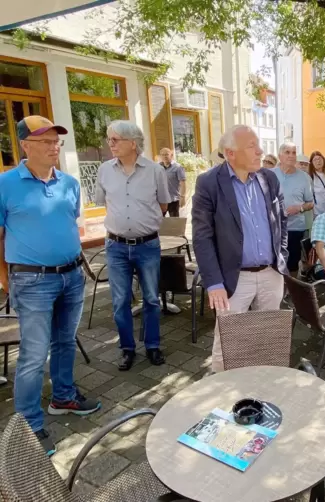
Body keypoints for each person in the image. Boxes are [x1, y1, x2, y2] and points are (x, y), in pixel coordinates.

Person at [0, 116, 101, 456]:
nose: (53, 145)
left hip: (72, 275)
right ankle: (27, 426)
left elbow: (71, 223)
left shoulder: (69, 183)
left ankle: (63, 397)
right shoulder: (6, 184)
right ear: (25, 145)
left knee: (65, 342)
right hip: (31, 280)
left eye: (56, 140)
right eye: (45, 140)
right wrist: (6, 280)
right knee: (32, 354)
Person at [192, 125, 288, 373]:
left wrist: (282, 255)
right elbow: (202, 237)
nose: (260, 151)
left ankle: (262, 388)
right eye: (251, 146)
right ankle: (225, 396)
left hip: (270, 274)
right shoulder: (209, 183)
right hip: (233, 279)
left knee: (267, 340)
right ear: (230, 153)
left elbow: (281, 220)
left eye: (258, 145)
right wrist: (213, 283)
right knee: (228, 345)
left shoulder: (269, 178)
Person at [96, 121, 170, 371]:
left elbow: (163, 205)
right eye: (109, 139)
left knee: (151, 298)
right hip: (116, 247)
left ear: (133, 143)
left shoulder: (155, 171)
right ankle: (127, 349)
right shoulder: (104, 170)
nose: (111, 144)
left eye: (115, 139)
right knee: (119, 301)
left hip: (147, 245)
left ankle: (152, 345)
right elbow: (105, 204)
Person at [272, 142, 314, 277]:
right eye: (287, 152)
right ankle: (277, 291)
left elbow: (311, 203)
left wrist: (300, 208)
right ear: (279, 155)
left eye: (294, 152)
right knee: (273, 260)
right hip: (273, 227)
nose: (291, 156)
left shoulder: (304, 178)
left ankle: (292, 290)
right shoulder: (269, 175)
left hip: (295, 227)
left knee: (293, 261)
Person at [159, 148, 187, 217]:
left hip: (173, 199)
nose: (165, 156)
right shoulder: (157, 167)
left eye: (167, 154)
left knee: (174, 223)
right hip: (161, 200)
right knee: (159, 222)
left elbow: (183, 183)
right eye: (163, 155)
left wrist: (182, 197)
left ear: (171, 155)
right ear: (161, 156)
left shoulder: (178, 167)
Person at [309, 151, 325, 218]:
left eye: (319, 158)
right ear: (312, 163)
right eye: (315, 160)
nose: (318, 161)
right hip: (316, 211)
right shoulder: (310, 176)